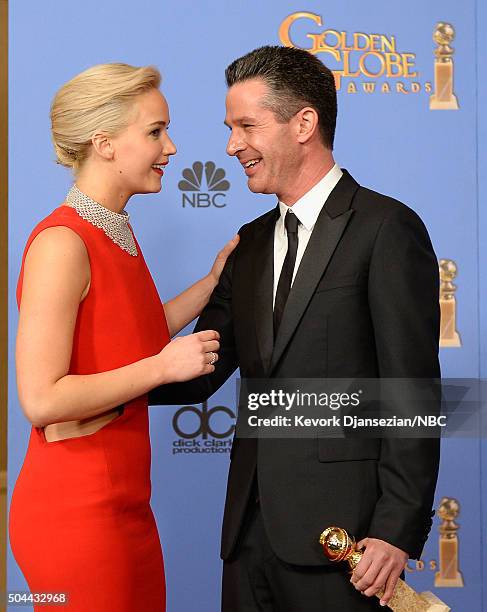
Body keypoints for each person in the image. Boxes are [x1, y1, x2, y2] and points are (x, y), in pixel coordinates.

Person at [150, 46, 441, 611]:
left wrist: (395, 530)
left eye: (246, 126)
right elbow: (198, 368)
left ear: (304, 123)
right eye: (230, 128)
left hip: (347, 542)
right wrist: (94, 374)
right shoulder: (250, 243)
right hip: (247, 539)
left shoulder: (386, 228)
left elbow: (411, 390)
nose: (233, 144)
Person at [9, 62, 238, 612]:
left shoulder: (116, 229)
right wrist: (163, 367)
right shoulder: (62, 243)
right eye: (155, 131)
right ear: (104, 142)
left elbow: (128, 334)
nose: (172, 147)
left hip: (125, 505)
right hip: (75, 512)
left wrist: (211, 284)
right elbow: (40, 400)